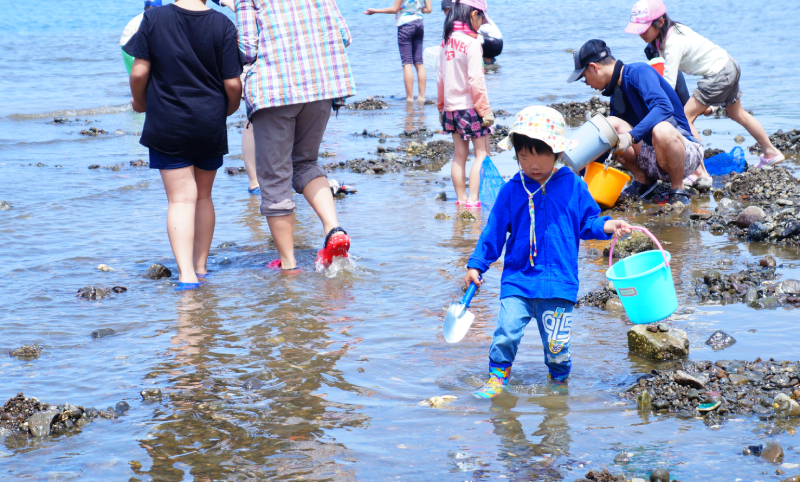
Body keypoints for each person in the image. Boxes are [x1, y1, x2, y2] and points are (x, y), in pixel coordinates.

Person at [464, 106, 632, 398]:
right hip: (518, 279)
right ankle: (496, 379)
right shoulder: (511, 190)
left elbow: (587, 223)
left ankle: (558, 383)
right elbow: (493, 232)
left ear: (555, 152)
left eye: (540, 155)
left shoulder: (573, 186)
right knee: (506, 332)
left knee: (558, 348)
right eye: (524, 156)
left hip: (559, 282)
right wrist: (477, 264)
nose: (532, 164)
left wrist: (608, 226)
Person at [126, 0, 243, 291]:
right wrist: (227, 110)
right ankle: (201, 267)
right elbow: (233, 84)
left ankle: (186, 275)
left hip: (167, 120)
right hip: (208, 121)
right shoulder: (223, 24)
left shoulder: (154, 19)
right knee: (203, 196)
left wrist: (139, 103)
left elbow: (139, 72)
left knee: (180, 200)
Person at [236, 0, 356, 271]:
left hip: (274, 90)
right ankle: (333, 228)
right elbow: (344, 35)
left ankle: (289, 266)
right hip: (321, 86)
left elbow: (247, 49)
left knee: (274, 177)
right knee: (306, 163)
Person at [624, 0, 784, 168]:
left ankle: (699, 171)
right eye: (638, 30)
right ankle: (770, 152)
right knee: (738, 114)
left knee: (685, 119)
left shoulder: (672, 43)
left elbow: (669, 83)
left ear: (660, 22)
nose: (641, 34)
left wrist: (654, 102)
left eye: (644, 29)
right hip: (729, 65)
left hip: (718, 74)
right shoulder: (673, 30)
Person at [567, 39, 702, 205]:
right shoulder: (616, 92)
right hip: (652, 157)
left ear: (594, 67)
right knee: (609, 126)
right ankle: (643, 181)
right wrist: (578, 170)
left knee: (661, 129)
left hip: (684, 154)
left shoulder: (639, 72)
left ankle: (677, 190)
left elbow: (663, 107)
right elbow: (606, 141)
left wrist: (631, 137)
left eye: (583, 77)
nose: (586, 83)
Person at [437, 0, 494, 208]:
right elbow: (476, 81)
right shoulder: (472, 43)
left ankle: (461, 200)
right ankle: (473, 200)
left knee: (459, 155)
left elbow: (440, 78)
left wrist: (441, 107)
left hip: (450, 108)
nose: (481, 24)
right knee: (482, 154)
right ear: (473, 15)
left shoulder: (446, 41)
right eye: (481, 18)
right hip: (471, 107)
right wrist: (485, 111)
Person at [211, 0, 260, 196]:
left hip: (257, 53)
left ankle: (256, 180)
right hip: (254, 55)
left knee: (255, 119)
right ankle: (255, 180)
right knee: (254, 120)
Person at [364, 0, 433, 103]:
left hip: (405, 25)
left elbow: (394, 9)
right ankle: (421, 97)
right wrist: (415, 10)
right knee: (419, 62)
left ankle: (410, 98)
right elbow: (429, 9)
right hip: (419, 23)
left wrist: (375, 10)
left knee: (407, 63)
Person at [120, 0, 162, 75]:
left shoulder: (139, 17)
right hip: (133, 48)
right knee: (147, 78)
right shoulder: (153, 18)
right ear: (160, 8)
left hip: (124, 45)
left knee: (135, 80)